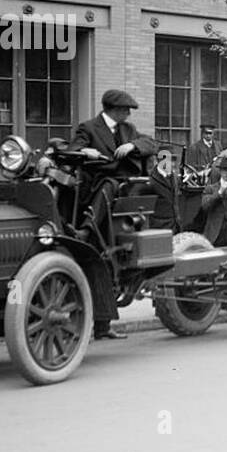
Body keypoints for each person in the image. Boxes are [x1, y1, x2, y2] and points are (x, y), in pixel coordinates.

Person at [67, 89, 156, 340]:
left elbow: (151, 143)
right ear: (112, 110)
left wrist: (132, 145)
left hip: (125, 191)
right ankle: (87, 227)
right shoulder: (89, 128)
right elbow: (74, 148)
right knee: (108, 185)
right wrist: (87, 152)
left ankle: (103, 327)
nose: (128, 114)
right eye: (125, 110)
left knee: (103, 262)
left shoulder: (128, 130)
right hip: (98, 186)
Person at [147, 147, 180, 234]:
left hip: (174, 227)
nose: (173, 164)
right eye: (169, 161)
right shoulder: (150, 180)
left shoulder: (174, 177)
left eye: (174, 160)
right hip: (158, 229)